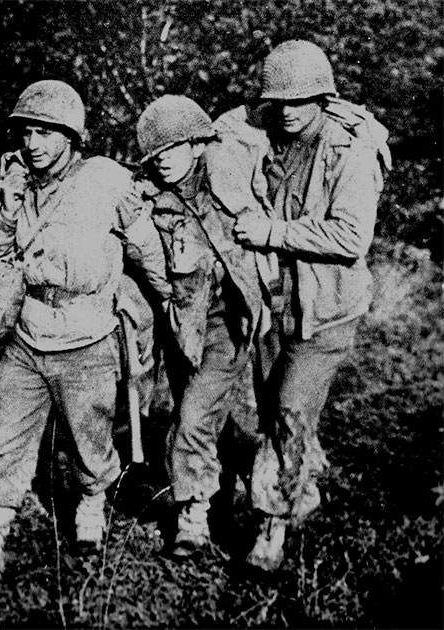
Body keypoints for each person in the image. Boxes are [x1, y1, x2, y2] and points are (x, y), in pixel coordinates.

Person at [0, 80, 171, 589]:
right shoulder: (16, 181)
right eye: (27, 131)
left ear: (72, 136)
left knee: (91, 441)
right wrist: (7, 202)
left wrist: (166, 301)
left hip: (88, 336)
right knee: (3, 441)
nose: (34, 143)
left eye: (47, 132)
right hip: (28, 335)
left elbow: (146, 246)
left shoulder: (106, 181)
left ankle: (91, 505)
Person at [233, 40, 391, 570]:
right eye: (280, 102)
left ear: (325, 97)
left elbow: (350, 237)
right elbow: (218, 135)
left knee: (289, 409)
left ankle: (271, 527)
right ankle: (304, 484)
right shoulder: (267, 130)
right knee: (273, 405)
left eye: (303, 100)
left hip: (328, 309)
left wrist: (270, 231)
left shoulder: (351, 148)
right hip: (276, 303)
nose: (290, 111)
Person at [135, 95, 277, 558]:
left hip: (229, 320)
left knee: (193, 417)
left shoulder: (228, 176)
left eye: (172, 150)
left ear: (198, 144)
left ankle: (192, 517)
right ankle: (241, 469)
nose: (163, 163)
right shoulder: (150, 198)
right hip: (183, 322)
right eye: (155, 156)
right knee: (199, 413)